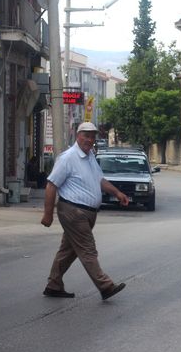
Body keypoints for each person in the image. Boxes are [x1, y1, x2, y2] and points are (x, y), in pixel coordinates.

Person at [41, 122, 129, 300]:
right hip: (73, 211)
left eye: (92, 136)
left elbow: (100, 180)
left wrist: (117, 193)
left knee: (69, 250)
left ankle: (54, 284)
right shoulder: (68, 158)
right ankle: (105, 286)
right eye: (86, 135)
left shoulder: (90, 156)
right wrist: (48, 214)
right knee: (88, 250)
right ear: (77, 135)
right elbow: (51, 185)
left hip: (87, 213)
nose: (89, 139)